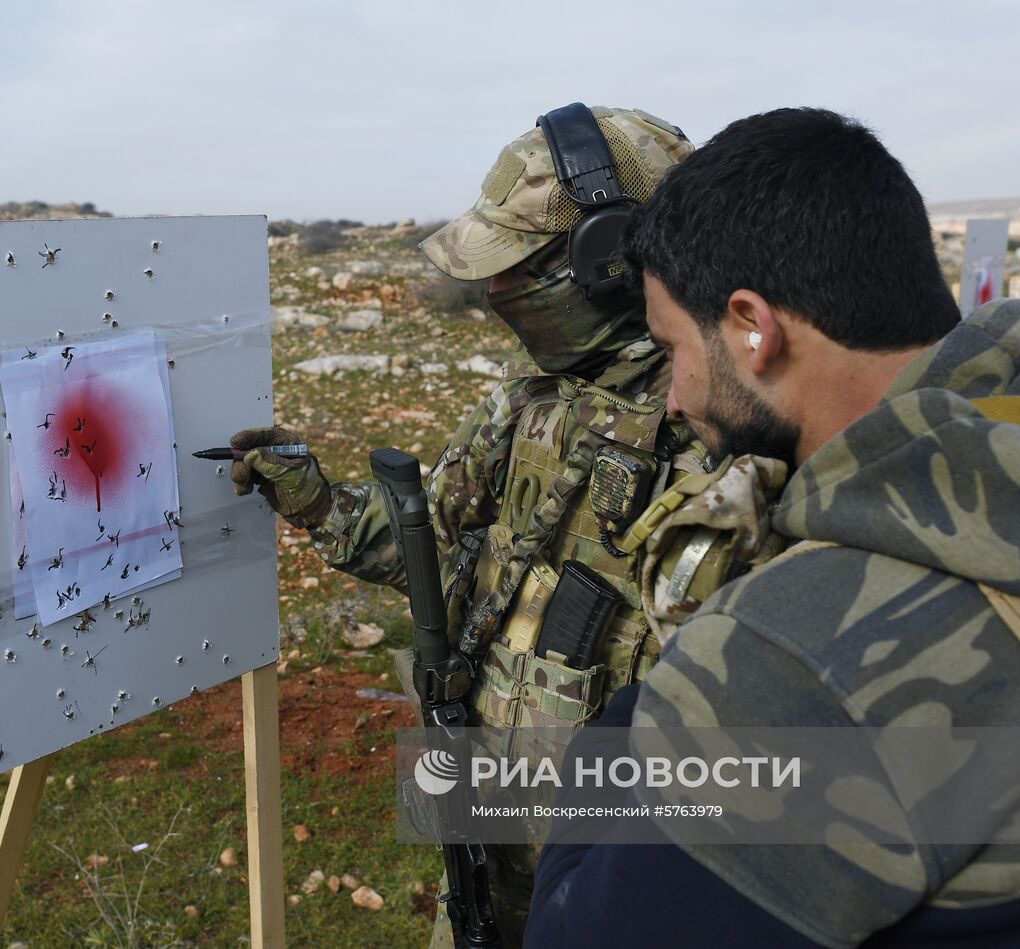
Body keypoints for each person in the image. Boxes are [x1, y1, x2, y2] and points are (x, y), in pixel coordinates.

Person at [526, 107, 1020, 947]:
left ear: (754, 327)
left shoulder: (795, 660)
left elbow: (577, 932)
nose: (675, 399)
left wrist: (659, 699)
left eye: (672, 346)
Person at [230, 105, 762, 947]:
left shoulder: (733, 430)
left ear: (612, 262)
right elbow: (430, 548)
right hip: (487, 826)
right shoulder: (527, 403)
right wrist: (316, 498)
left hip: (618, 881)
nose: (495, 295)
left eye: (519, 271)